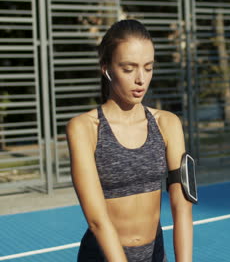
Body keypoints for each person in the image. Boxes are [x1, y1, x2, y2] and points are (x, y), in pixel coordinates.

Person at [66, 19, 193, 262]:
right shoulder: (83, 129)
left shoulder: (168, 124)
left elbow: (182, 205)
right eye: (128, 68)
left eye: (148, 67)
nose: (140, 79)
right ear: (106, 68)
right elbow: (97, 221)